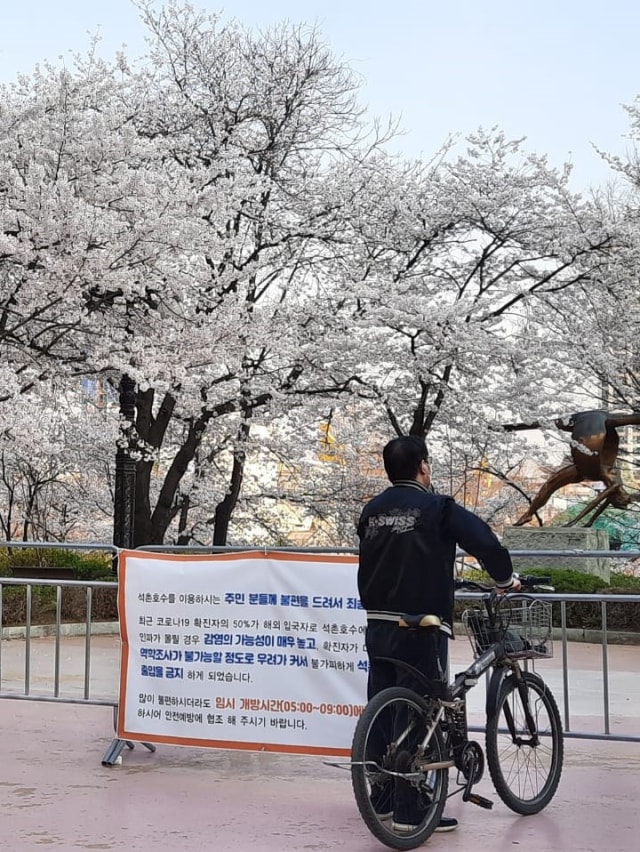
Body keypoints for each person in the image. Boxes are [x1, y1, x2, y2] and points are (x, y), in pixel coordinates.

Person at [357, 435, 520, 835]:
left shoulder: (372, 511)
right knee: (421, 710)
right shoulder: (437, 507)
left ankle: (381, 800)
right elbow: (483, 540)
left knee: (383, 709)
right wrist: (504, 578)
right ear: (423, 467)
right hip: (421, 624)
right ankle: (411, 809)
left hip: (377, 623)